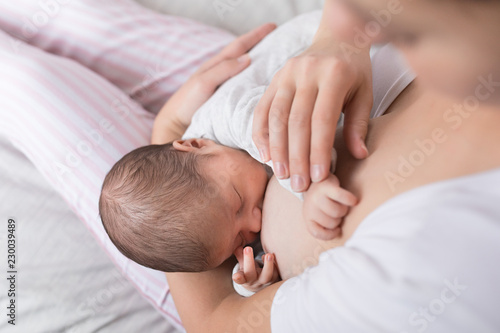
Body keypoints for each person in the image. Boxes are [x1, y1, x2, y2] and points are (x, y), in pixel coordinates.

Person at [165, 0, 500, 332]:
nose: (253, 223)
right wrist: (337, 41)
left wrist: (168, 130)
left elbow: (215, 321)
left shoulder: (425, 270)